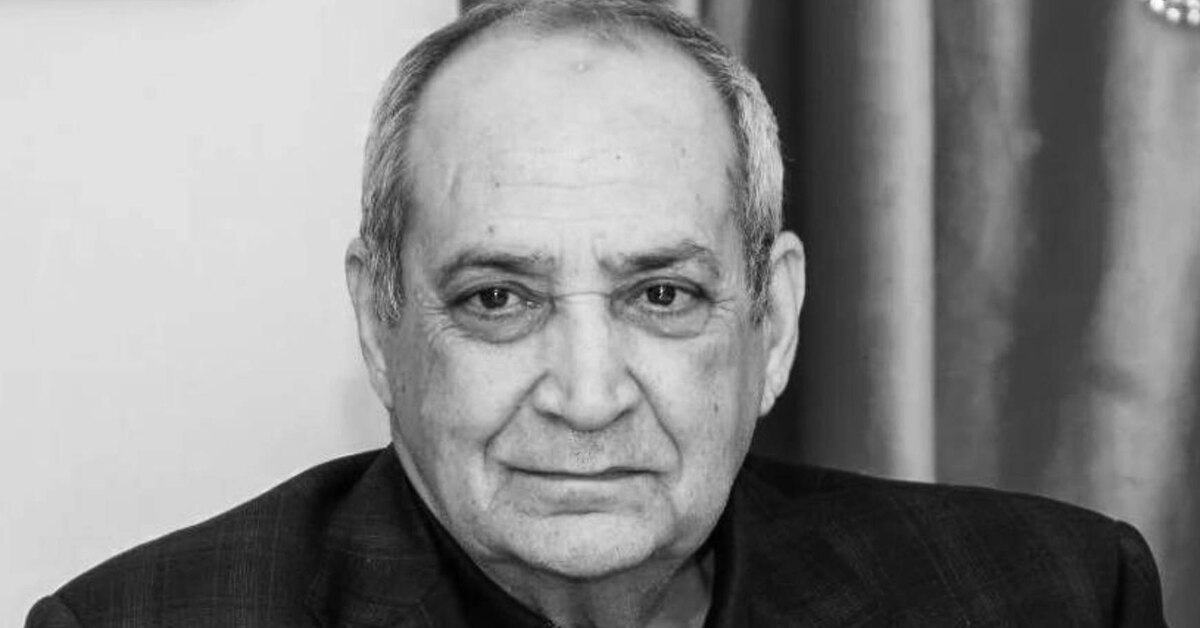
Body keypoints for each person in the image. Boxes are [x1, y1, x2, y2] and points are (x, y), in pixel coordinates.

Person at [27, 1, 1167, 626]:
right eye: (498, 298)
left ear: (772, 323)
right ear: (380, 324)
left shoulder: (1058, 597)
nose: (586, 395)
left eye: (662, 295)